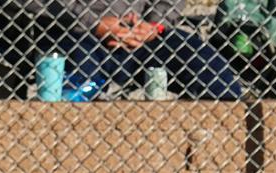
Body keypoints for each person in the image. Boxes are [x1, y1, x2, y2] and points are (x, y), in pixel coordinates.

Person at [51, 0, 241, 100]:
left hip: (142, 34)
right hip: (76, 32)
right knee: (76, 94)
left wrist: (154, 24)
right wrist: (93, 23)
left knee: (214, 75)